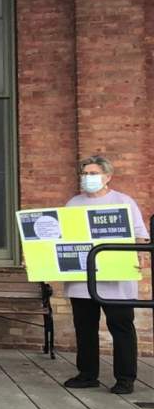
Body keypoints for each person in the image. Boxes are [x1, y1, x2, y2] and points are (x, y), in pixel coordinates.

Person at [63, 154, 148, 395]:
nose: (88, 178)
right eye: (85, 173)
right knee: (85, 327)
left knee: (120, 326)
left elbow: (140, 235)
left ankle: (125, 378)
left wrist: (139, 256)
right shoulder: (74, 203)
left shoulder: (123, 201)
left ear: (107, 177)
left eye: (93, 173)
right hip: (82, 277)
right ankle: (87, 374)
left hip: (116, 277)